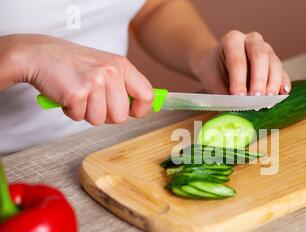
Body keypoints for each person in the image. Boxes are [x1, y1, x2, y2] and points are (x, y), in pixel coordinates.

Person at [0, 0, 290, 156]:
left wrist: (204, 57)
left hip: (103, 147)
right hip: (13, 168)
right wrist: (18, 55)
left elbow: (152, 6)